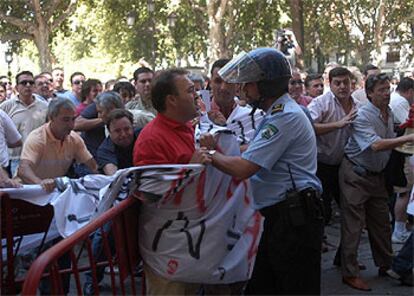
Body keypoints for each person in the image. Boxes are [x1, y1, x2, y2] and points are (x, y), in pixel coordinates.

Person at [201, 48, 323, 295]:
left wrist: (210, 156)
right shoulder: (277, 113)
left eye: (249, 83)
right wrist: (222, 145)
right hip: (283, 216)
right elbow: (252, 150)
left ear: (265, 85)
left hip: (293, 219)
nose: (243, 88)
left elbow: (245, 168)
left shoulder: (284, 117)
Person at [133, 69, 212, 294]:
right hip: (167, 247)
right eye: (190, 91)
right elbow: (150, 193)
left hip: (190, 240)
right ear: (172, 100)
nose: (197, 95)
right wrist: (192, 167)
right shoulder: (151, 139)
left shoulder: (186, 129)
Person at [339, 73, 414, 291]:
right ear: (369, 93)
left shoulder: (388, 112)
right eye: (381, 90)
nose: (386, 94)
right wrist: (407, 138)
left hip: (376, 176)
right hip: (355, 174)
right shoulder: (362, 115)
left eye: (388, 89)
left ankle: (387, 264)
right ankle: (350, 273)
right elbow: (376, 145)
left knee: (381, 223)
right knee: (353, 226)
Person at [307, 67, 357, 225]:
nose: (342, 86)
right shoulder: (321, 103)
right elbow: (307, 128)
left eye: (345, 82)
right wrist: (338, 124)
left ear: (351, 83)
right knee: (323, 208)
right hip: (322, 164)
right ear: (330, 84)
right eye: (338, 83)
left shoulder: (358, 104)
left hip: (346, 165)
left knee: (349, 206)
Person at [17, 97, 97, 192]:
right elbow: (23, 170)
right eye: (65, 120)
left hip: (53, 192)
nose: (71, 125)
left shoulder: (74, 139)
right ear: (51, 118)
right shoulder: (37, 138)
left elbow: (93, 166)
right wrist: (40, 183)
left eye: (73, 119)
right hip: (28, 192)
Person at [0, 71, 48, 176]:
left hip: (40, 158)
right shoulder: (5, 107)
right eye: (24, 82)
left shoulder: (45, 107)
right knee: (22, 190)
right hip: (16, 159)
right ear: (16, 87)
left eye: (31, 82)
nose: (28, 85)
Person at [389, 77, 414, 243]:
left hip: (404, 152)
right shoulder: (400, 103)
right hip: (405, 154)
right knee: (404, 192)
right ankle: (398, 230)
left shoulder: (398, 101)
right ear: (410, 91)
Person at [97, 109, 139, 175]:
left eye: (127, 129)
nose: (123, 134)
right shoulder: (105, 150)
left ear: (133, 127)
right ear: (109, 132)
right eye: (117, 131)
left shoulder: (143, 136)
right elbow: (113, 176)